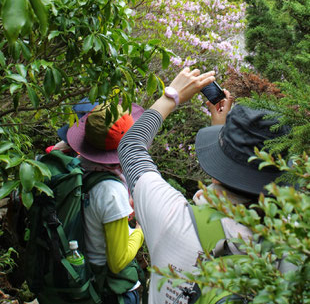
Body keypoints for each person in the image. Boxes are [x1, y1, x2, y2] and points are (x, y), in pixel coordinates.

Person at [117, 67, 291, 304]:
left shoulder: (170, 216)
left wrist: (171, 96)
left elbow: (131, 146)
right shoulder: (291, 241)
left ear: (219, 162)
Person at [66, 102, 146, 304]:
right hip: (111, 290)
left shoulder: (80, 169)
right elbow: (118, 261)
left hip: (87, 278)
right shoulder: (111, 192)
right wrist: (141, 228)